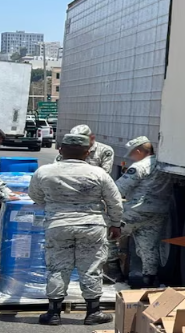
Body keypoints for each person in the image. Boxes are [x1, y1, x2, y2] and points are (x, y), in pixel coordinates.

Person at [28, 134, 123, 326]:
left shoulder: (44, 172)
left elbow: (35, 196)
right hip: (91, 226)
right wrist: (115, 223)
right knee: (90, 267)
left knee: (57, 267)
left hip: (58, 225)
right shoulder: (98, 173)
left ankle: (53, 313)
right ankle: (93, 312)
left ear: (60, 150)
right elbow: (115, 202)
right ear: (87, 153)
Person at [106, 136, 172, 288]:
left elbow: (118, 189)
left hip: (136, 211)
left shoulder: (140, 167)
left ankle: (114, 271)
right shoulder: (164, 165)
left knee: (107, 234)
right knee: (149, 247)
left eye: (132, 153)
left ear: (139, 151)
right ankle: (149, 280)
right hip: (158, 211)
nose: (130, 157)